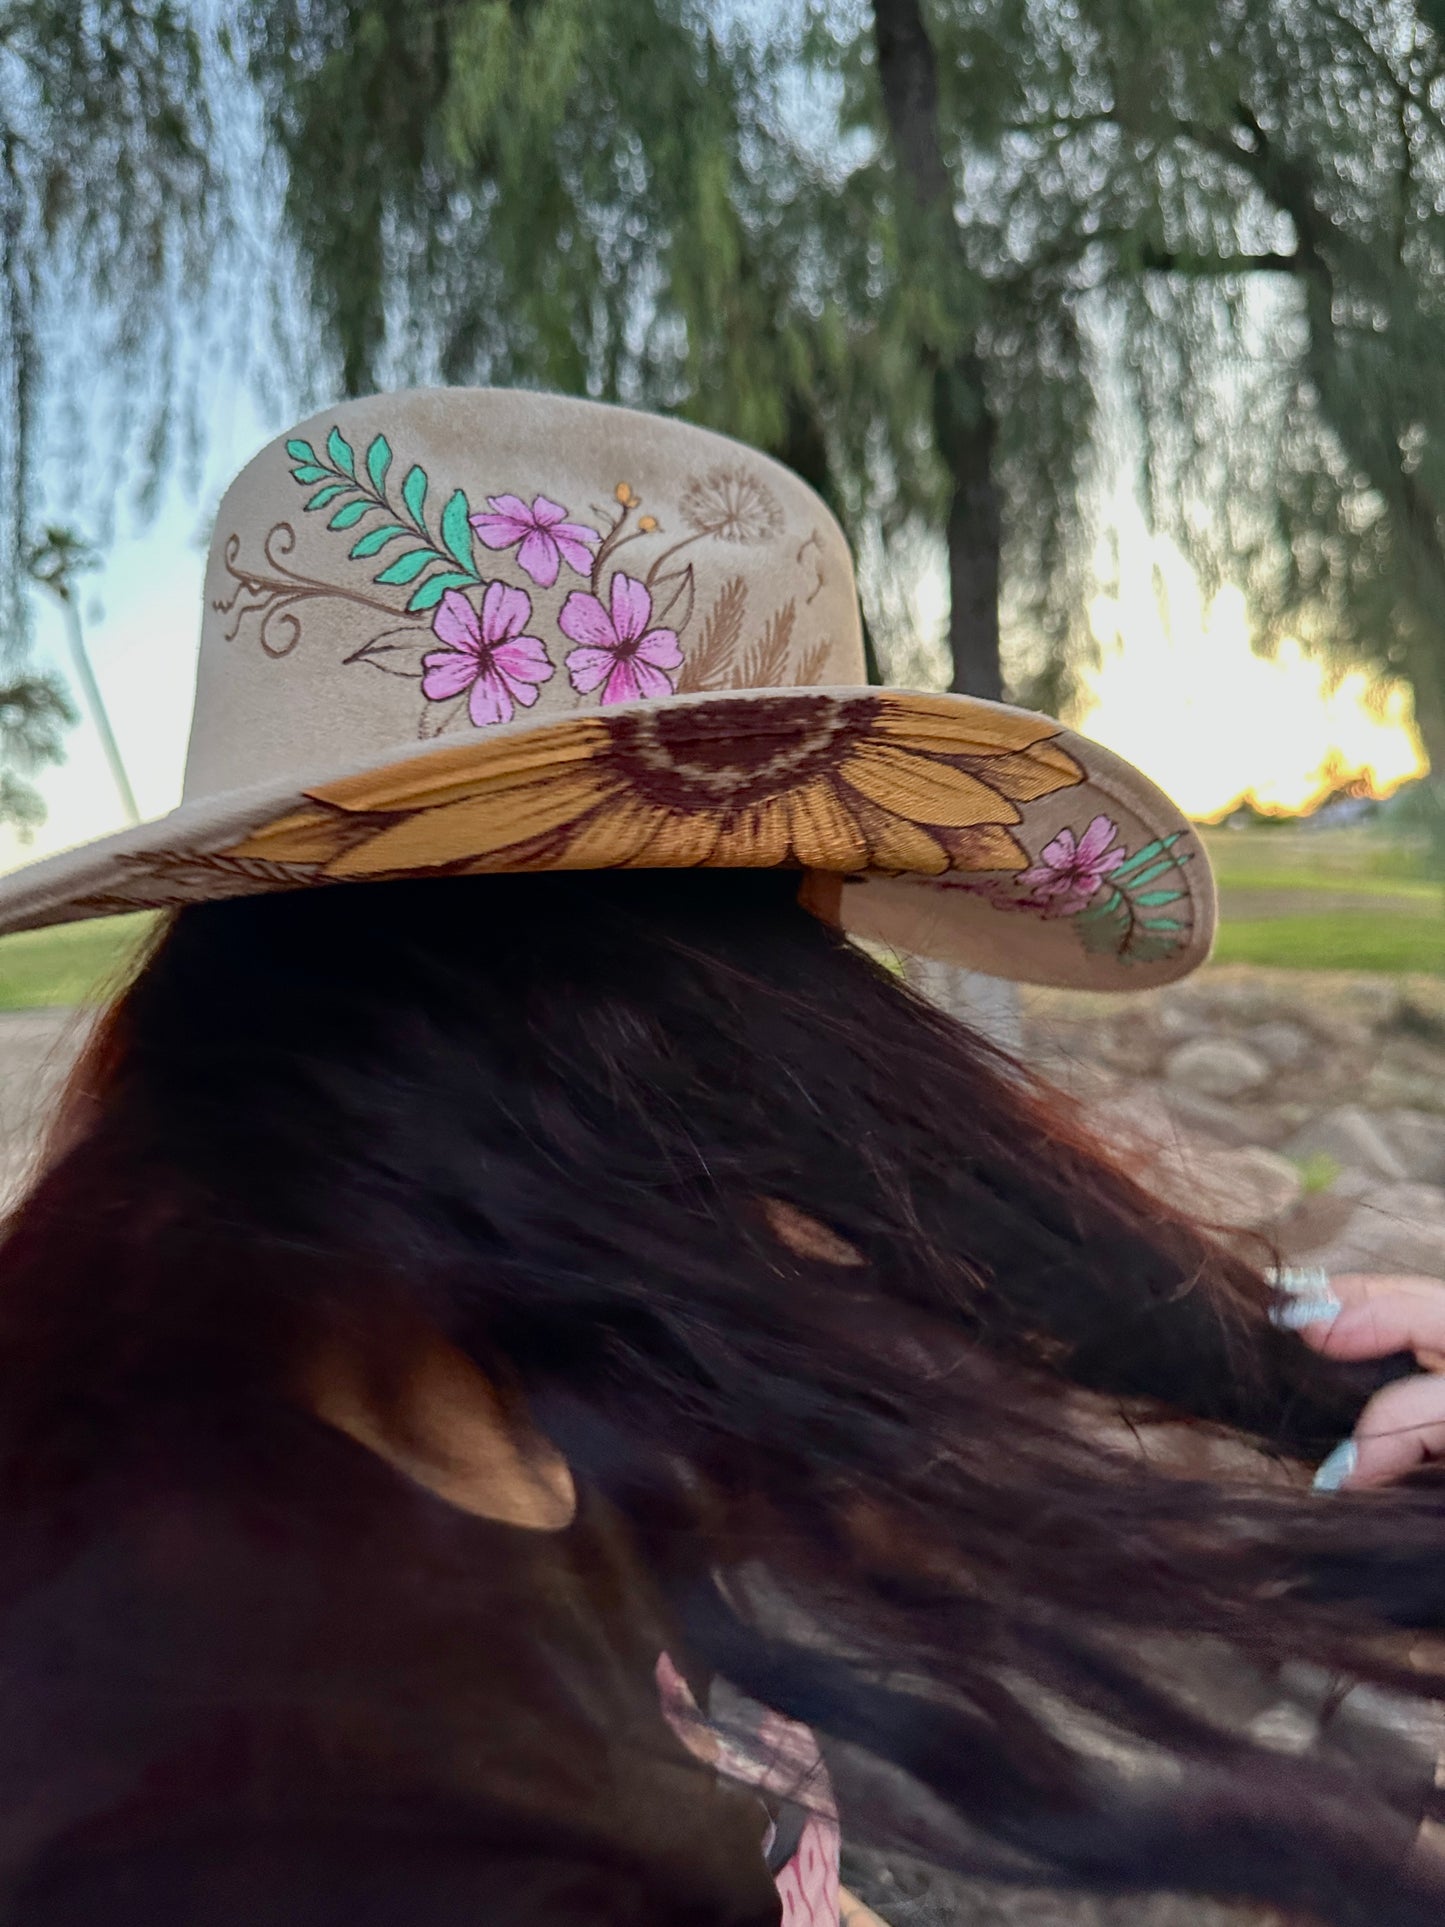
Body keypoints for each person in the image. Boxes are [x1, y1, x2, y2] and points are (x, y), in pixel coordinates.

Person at [1, 389, 1445, 1927]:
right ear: (690, 1003)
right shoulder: (269, 1792)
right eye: (815, 926)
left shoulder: (494, 1365)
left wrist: (1258, 1370)